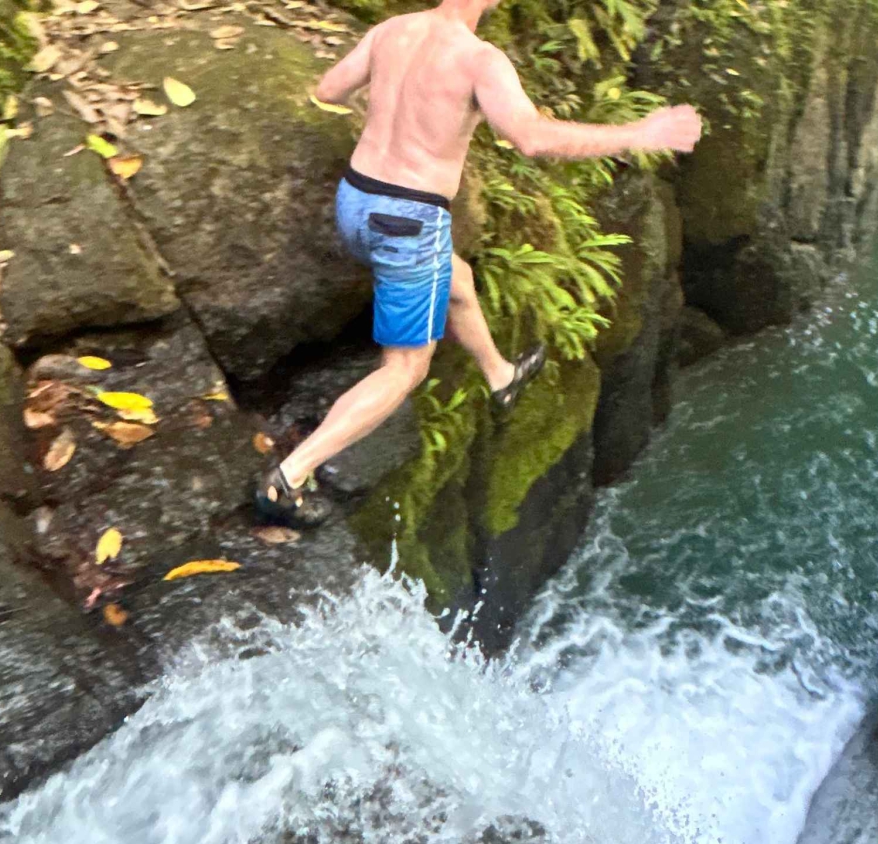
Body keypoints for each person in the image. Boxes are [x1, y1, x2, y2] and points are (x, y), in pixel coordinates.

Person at [255, 0, 702, 528]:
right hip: (408, 220)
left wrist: (398, 117)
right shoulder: (479, 60)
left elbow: (329, 90)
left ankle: (500, 375)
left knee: (456, 275)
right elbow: (532, 138)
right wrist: (636, 135)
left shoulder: (393, 30)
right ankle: (289, 477)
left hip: (356, 199)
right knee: (404, 369)